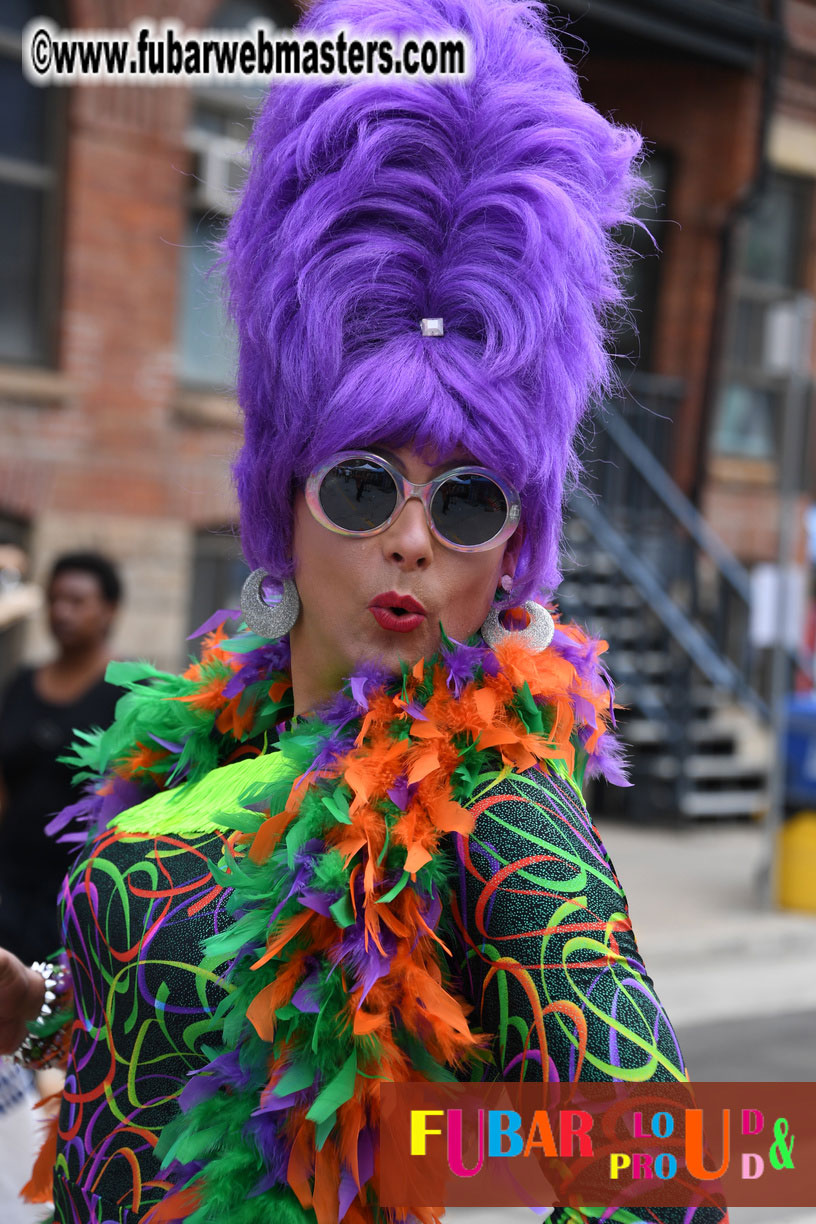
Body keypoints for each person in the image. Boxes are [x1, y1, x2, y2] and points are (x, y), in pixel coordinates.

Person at [0, 1, 727, 1221]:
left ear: (512, 554)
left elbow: (669, 1177)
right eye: (362, 485)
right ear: (280, 504)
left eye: (469, 500)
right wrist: (41, 1014)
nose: (411, 536)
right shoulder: (214, 740)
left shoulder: (495, 813)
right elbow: (190, 1056)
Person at [0, 551, 123, 964]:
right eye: (54, 600)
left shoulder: (130, 693)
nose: (60, 612)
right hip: (9, 882)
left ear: (108, 610)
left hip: (79, 892)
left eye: (76, 601)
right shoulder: (22, 683)